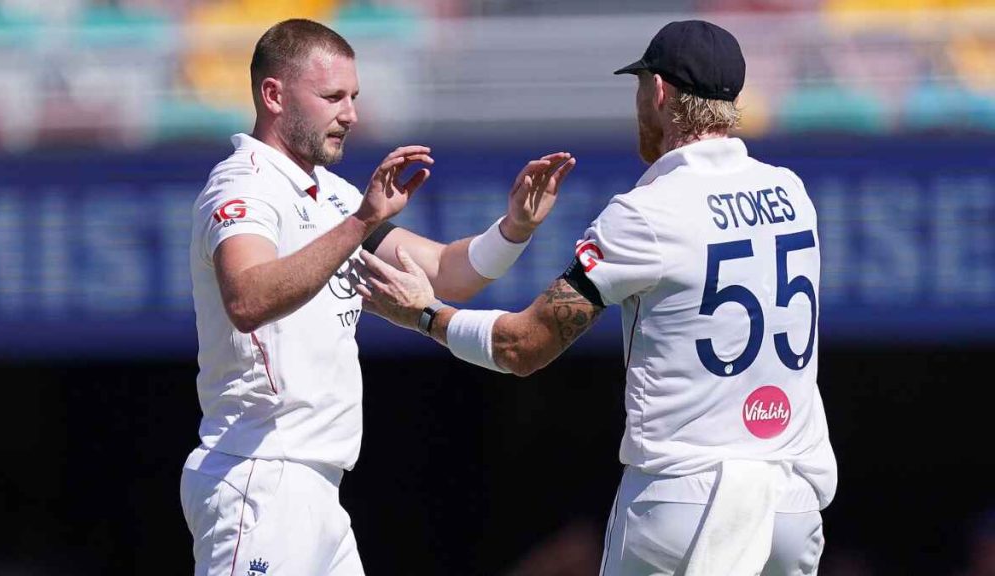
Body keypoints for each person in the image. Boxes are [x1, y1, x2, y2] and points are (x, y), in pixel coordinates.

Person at [358, 20, 837, 576]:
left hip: (688, 501)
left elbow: (522, 347)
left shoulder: (647, 212)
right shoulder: (791, 193)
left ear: (657, 92)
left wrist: (422, 313)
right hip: (793, 505)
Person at [180, 19, 575, 576]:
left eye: (355, 97)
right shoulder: (243, 185)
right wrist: (362, 220)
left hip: (319, 489)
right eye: (332, 96)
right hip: (259, 476)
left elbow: (443, 273)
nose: (351, 114)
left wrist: (513, 228)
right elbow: (247, 299)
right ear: (273, 95)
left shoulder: (331, 194)